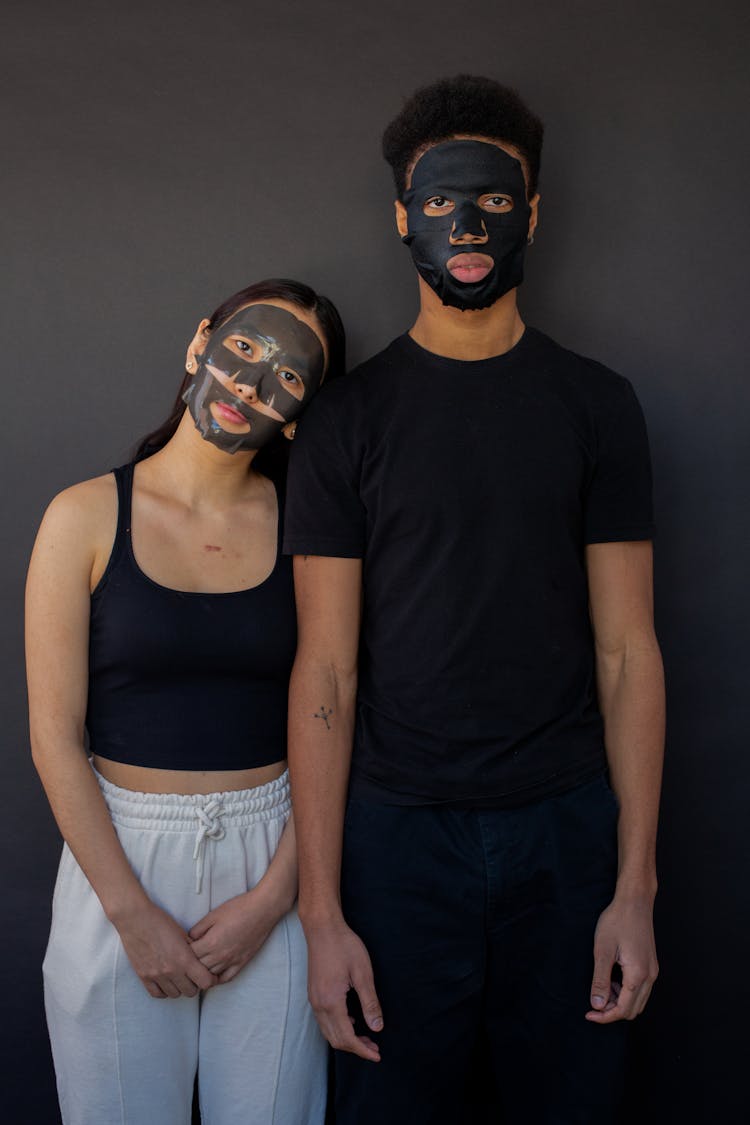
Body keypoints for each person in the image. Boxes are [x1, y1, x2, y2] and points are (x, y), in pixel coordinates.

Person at [284, 75, 664, 1124]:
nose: (467, 222)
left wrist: (634, 888)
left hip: (565, 829)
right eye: (441, 199)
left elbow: (629, 649)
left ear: (532, 213)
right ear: (404, 215)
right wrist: (322, 913)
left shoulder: (597, 405)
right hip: (399, 838)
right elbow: (325, 666)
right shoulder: (346, 422)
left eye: (496, 201)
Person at [26, 278, 345, 1125]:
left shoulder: (312, 527)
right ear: (201, 342)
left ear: (300, 411)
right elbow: (54, 739)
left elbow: (334, 707)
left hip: (276, 854)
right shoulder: (84, 516)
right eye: (244, 349)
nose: (252, 384)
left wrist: (280, 896)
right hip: (119, 859)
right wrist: (129, 913)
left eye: (288, 376)